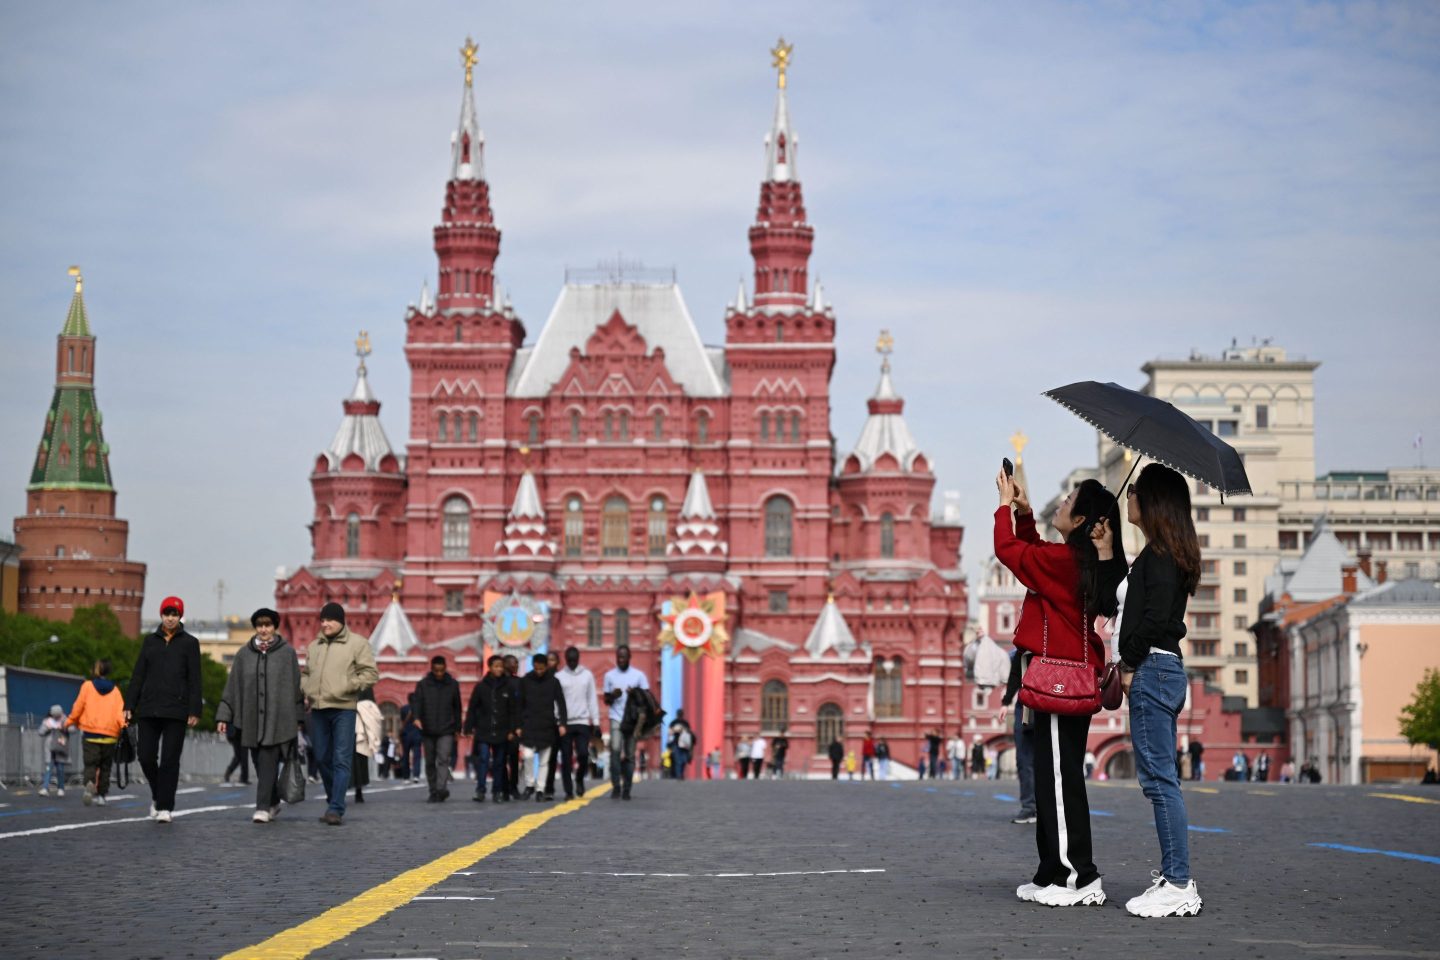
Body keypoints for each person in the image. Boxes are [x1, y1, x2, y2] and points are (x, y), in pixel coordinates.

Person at [996, 470, 1124, 908]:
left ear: (1082, 517)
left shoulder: (1068, 561)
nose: (1061, 501)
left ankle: (1078, 877)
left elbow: (1010, 552)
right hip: (1066, 677)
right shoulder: (1074, 559)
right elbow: (1035, 556)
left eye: (1069, 498)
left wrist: (1002, 508)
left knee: (1059, 779)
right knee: (1053, 778)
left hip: (1058, 679)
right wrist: (1026, 513)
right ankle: (1051, 871)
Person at [1113, 463, 1205, 918]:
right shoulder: (1162, 552)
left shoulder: (1161, 556)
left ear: (1152, 502)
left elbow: (1154, 621)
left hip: (1154, 670)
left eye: (1134, 491)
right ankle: (1174, 876)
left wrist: (1127, 660)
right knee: (1161, 780)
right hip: (1161, 670)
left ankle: (1179, 882)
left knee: (1160, 782)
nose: (1129, 497)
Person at [215, 608, 303, 823]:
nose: (264, 629)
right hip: (251, 719)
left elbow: (295, 686)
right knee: (259, 762)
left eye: (268, 625)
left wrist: (299, 717)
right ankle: (273, 802)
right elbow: (233, 686)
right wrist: (223, 716)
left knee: (268, 759)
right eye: (260, 625)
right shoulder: (244, 655)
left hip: (277, 720)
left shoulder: (287, 653)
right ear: (255, 627)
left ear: (274, 627)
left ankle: (262, 807)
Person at [125, 596, 203, 824]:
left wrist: (194, 709)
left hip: (177, 710)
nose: (170, 618)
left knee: (170, 760)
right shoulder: (150, 641)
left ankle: (165, 806)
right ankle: (158, 795)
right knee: (145, 756)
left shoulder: (190, 643)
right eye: (167, 614)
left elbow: (195, 679)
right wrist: (129, 704)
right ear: (161, 615)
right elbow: (138, 674)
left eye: (174, 614)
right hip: (149, 708)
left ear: (180, 616)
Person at [300, 601, 379, 826]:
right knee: (322, 757)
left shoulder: (357, 644)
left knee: (341, 759)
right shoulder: (315, 646)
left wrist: (347, 686)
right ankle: (333, 797)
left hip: (344, 709)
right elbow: (305, 673)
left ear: (340, 621)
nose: (325, 624)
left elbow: (371, 673)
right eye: (322, 620)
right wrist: (306, 687)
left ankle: (335, 807)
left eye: (329, 620)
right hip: (318, 709)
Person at [68, 659, 126, 806]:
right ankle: (102, 796)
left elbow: (78, 707)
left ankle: (89, 783)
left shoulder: (87, 686)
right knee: (106, 767)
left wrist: (69, 722)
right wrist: (123, 727)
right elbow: (120, 713)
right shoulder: (116, 690)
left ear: (97, 670)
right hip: (110, 736)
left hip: (90, 733)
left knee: (90, 765)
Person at [465, 655, 518, 802]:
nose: (499, 669)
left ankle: (497, 791)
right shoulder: (481, 687)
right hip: (483, 730)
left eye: (501, 666)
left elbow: (513, 710)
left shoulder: (508, 686)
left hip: (502, 730)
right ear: (490, 667)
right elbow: (472, 708)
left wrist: (512, 730)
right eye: (496, 666)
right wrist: (468, 728)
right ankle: (480, 790)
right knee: (483, 759)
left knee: (499, 762)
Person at [517, 652, 567, 801]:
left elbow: (561, 703)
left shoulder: (553, 682)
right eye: (536, 669)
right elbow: (519, 704)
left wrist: (562, 723)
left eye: (541, 669)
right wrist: (518, 725)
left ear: (546, 667)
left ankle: (540, 789)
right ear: (533, 666)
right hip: (529, 724)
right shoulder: (525, 681)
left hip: (547, 725)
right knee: (528, 756)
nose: (539, 672)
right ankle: (529, 784)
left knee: (545, 761)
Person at [413, 655, 462, 803]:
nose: (439, 674)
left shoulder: (453, 685)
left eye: (441, 670)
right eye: (436, 671)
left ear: (445, 668)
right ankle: (433, 790)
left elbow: (457, 708)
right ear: (432, 669)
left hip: (446, 729)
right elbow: (417, 703)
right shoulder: (423, 684)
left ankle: (441, 789)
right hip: (427, 728)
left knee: (443, 759)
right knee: (429, 761)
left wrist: (458, 728)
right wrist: (416, 718)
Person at [602, 645, 649, 800]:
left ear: (629, 657)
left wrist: (635, 694)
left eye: (623, 657)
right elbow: (606, 700)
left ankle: (627, 788)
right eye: (618, 657)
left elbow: (646, 699)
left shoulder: (639, 676)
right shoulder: (609, 676)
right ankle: (616, 786)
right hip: (616, 718)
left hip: (632, 720)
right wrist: (613, 696)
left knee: (629, 755)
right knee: (615, 751)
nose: (621, 660)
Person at [556, 646, 600, 799]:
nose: (572, 662)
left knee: (583, 754)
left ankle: (579, 779)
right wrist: (558, 721)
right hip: (565, 722)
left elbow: (592, 699)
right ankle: (568, 791)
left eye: (575, 660)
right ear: (566, 659)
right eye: (569, 660)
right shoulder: (559, 677)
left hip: (582, 722)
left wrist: (596, 721)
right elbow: (556, 701)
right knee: (566, 758)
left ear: (579, 658)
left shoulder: (587, 675)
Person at [1001, 647, 1038, 824]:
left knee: (1040, 759)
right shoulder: (1024, 645)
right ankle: (1030, 807)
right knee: (1025, 759)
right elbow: (1016, 671)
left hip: (1050, 702)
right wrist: (1006, 701)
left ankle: (1037, 808)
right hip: (1027, 704)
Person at [503, 655, 523, 799]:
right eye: (514, 663)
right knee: (500, 759)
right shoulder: (499, 683)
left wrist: (518, 726)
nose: (516, 665)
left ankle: (513, 786)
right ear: (506, 664)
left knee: (514, 758)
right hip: (500, 727)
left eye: (517, 663)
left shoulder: (519, 683)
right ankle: (504, 787)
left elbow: (521, 707)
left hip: (515, 727)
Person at [39, 705, 71, 797]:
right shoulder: (47, 721)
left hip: (60, 748)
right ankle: (45, 788)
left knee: (60, 769)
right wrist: (47, 728)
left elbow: (73, 729)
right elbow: (40, 732)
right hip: (50, 749)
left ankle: (61, 788)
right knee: (48, 768)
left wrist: (64, 727)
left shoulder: (65, 720)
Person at [667, 709, 695, 782]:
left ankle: (680, 774)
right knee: (680, 760)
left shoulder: (674, 723)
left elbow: (670, 733)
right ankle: (679, 775)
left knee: (682, 760)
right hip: (681, 744)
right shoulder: (684, 723)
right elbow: (690, 733)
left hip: (680, 744)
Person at [400, 709, 424, 784]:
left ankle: (406, 777)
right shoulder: (420, 708)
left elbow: (402, 721)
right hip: (417, 735)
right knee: (417, 756)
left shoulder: (404, 708)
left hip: (406, 735)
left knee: (405, 756)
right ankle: (416, 776)